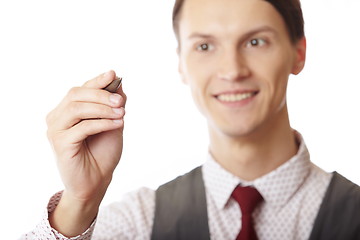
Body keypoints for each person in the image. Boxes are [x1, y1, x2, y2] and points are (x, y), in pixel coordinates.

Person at [21, 0, 360, 239]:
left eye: (256, 41)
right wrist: (80, 200)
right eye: (204, 47)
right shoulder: (138, 222)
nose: (232, 71)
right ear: (181, 63)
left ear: (298, 53)